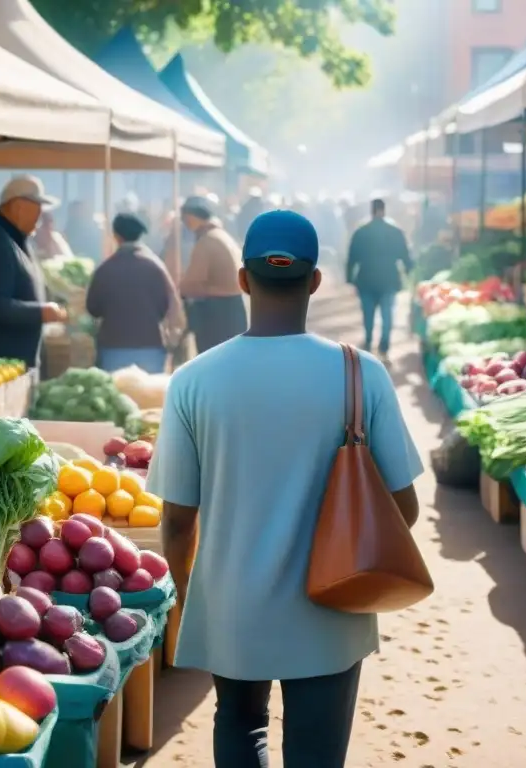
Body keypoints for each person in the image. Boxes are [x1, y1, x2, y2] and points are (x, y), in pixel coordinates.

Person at [146, 209, 423, 768]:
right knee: (317, 753)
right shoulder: (359, 373)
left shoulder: (193, 380)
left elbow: (177, 520)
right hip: (333, 605)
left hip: (232, 605)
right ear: (316, 280)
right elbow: (404, 509)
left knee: (240, 726)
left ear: (243, 280)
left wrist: (180, 604)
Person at [0, 176, 67, 369]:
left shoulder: (16, 241)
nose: (40, 217)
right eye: (38, 209)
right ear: (19, 207)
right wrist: (40, 312)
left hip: (14, 368)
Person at [86, 213, 184, 374]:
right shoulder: (156, 267)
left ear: (116, 236)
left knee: (117, 396)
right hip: (150, 345)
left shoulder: (105, 269)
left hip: (113, 346)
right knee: (150, 396)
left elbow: (93, 308)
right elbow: (168, 306)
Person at [178, 196, 248, 354]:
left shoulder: (207, 241)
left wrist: (180, 289)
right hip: (233, 309)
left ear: (191, 217)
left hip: (217, 314)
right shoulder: (222, 236)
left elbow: (192, 283)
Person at [346, 198, 413, 360]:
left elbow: (352, 257)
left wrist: (349, 277)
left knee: (368, 314)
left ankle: (368, 341)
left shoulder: (361, 232)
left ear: (371, 210)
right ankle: (384, 345)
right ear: (384, 210)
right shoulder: (395, 231)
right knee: (387, 314)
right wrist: (409, 270)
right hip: (388, 279)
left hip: (366, 279)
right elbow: (405, 255)